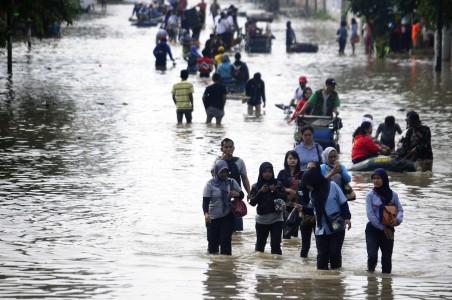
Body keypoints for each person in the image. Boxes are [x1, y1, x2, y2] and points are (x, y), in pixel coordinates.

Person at [302, 165, 351, 270]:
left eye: (308, 184)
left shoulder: (333, 186)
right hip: (321, 229)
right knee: (321, 258)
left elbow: (343, 203)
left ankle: (337, 281)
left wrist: (347, 218)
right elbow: (312, 210)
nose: (307, 187)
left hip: (336, 225)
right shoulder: (313, 194)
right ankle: (322, 284)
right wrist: (301, 208)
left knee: (334, 253)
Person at [365, 168, 403, 273]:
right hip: (373, 229)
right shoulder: (370, 195)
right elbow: (370, 215)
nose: (375, 181)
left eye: (378, 178)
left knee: (387, 260)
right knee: (372, 256)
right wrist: (382, 228)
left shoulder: (393, 195)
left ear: (384, 179)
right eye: (374, 178)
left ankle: (386, 286)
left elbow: (400, 210)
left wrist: (397, 220)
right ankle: (371, 279)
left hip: (389, 229)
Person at [203, 160, 244, 255]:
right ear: (217, 171)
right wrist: (206, 214)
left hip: (227, 215)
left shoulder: (231, 182)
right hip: (212, 217)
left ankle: (226, 265)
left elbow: (241, 195)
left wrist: (236, 194)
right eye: (222, 172)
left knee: (225, 241)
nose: (224, 174)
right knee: (212, 245)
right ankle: (216, 266)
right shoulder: (209, 184)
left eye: (226, 171)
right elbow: (205, 201)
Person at [212, 138, 251, 231]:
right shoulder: (217, 161)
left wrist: (249, 193)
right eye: (226, 147)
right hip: (220, 199)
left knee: (237, 231)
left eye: (230, 147)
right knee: (221, 228)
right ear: (221, 149)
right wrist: (222, 160)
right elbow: (213, 175)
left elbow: (244, 178)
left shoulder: (239, 161)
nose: (228, 149)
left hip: (236, 198)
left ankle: (237, 244)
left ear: (234, 148)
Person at [249, 162, 287, 255]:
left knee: (276, 246)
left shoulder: (277, 183)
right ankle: (261, 267)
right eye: (265, 172)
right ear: (261, 173)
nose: (267, 174)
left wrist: (274, 191)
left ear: (272, 172)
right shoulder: (256, 186)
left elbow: (285, 198)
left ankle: (276, 267)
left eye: (269, 171)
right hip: (262, 220)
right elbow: (252, 203)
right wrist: (260, 192)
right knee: (259, 247)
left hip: (276, 219)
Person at [277, 150, 302, 239]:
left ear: (298, 160)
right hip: (285, 205)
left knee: (295, 232)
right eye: (290, 158)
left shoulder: (302, 174)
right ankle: (287, 250)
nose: (292, 160)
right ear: (286, 160)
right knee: (286, 232)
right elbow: (278, 187)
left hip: (298, 206)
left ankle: (293, 251)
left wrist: (296, 193)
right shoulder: (282, 173)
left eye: (294, 158)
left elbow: (305, 188)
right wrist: (287, 189)